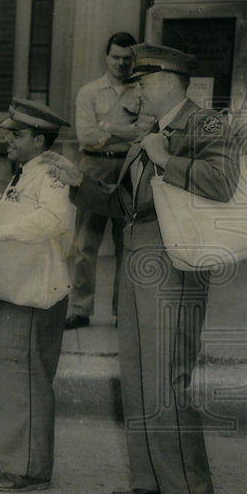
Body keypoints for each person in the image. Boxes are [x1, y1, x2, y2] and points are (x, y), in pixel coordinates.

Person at [43, 43, 241, 494]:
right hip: (138, 255)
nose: (137, 94)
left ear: (172, 80)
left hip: (176, 260)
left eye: (144, 83)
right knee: (136, 372)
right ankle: (151, 480)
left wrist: (164, 157)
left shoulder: (204, 124)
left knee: (166, 374)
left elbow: (224, 182)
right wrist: (77, 183)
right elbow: (123, 204)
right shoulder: (150, 131)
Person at [0, 99, 73, 492]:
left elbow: (53, 219)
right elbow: (4, 214)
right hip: (17, 286)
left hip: (36, 289)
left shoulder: (51, 175)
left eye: (17, 135)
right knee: (11, 374)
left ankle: (28, 467)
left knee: (24, 376)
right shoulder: (22, 175)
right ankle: (17, 452)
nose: (10, 140)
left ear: (39, 140)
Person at [65, 32, 155, 330]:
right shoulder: (89, 92)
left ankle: (122, 311)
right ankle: (80, 309)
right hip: (94, 168)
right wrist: (124, 131)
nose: (121, 63)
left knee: (126, 241)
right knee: (84, 243)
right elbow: (86, 136)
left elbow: (145, 131)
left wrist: (107, 127)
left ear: (134, 60)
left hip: (130, 168)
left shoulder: (143, 92)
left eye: (127, 59)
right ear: (106, 57)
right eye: (116, 57)